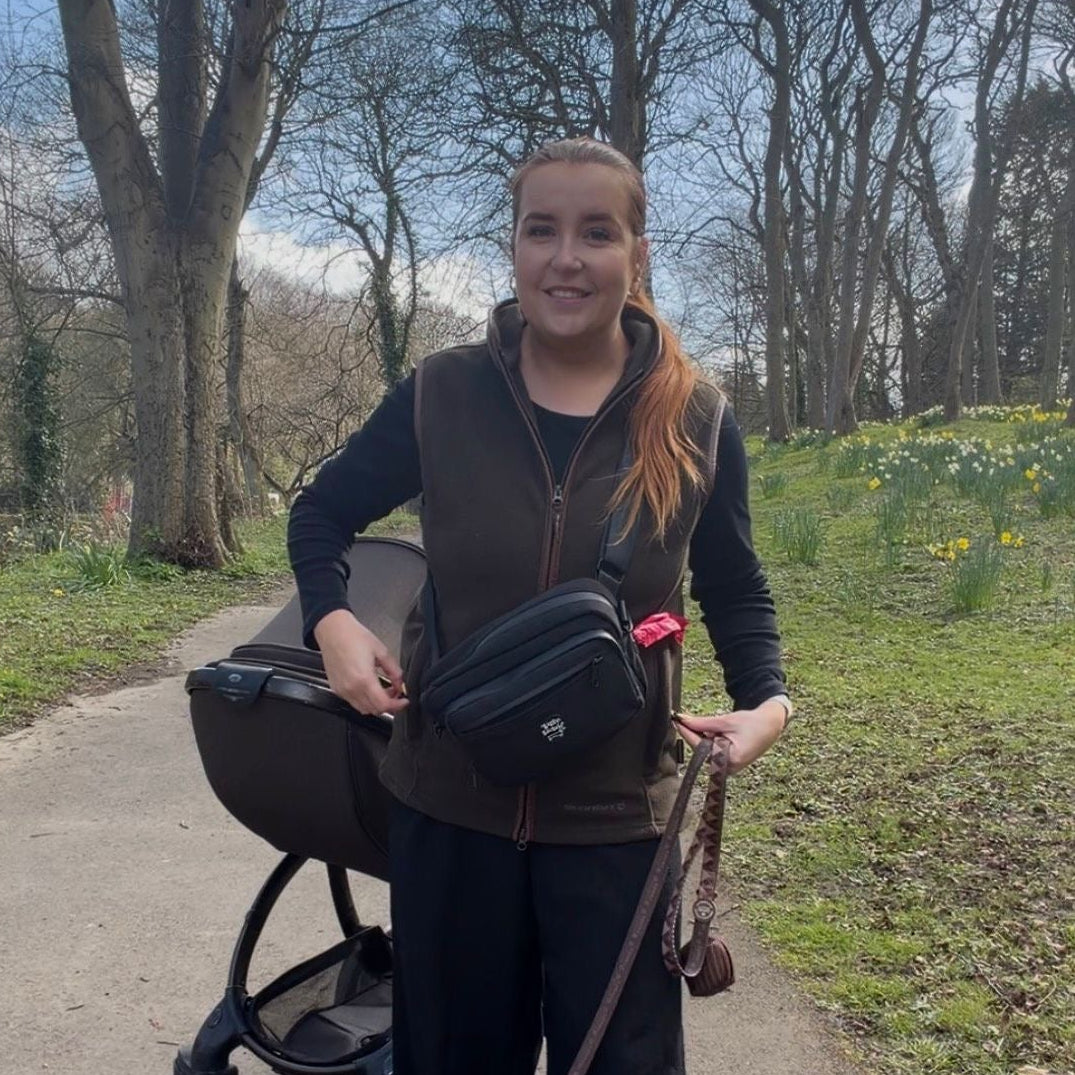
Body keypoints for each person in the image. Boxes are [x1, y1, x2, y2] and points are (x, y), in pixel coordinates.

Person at [288, 137, 790, 1075]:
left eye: (596, 232)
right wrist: (333, 621)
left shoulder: (694, 417)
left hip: (613, 827)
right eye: (541, 229)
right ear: (513, 248)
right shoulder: (443, 393)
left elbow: (735, 586)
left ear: (635, 254)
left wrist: (769, 704)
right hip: (449, 810)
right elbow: (321, 512)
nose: (567, 256)